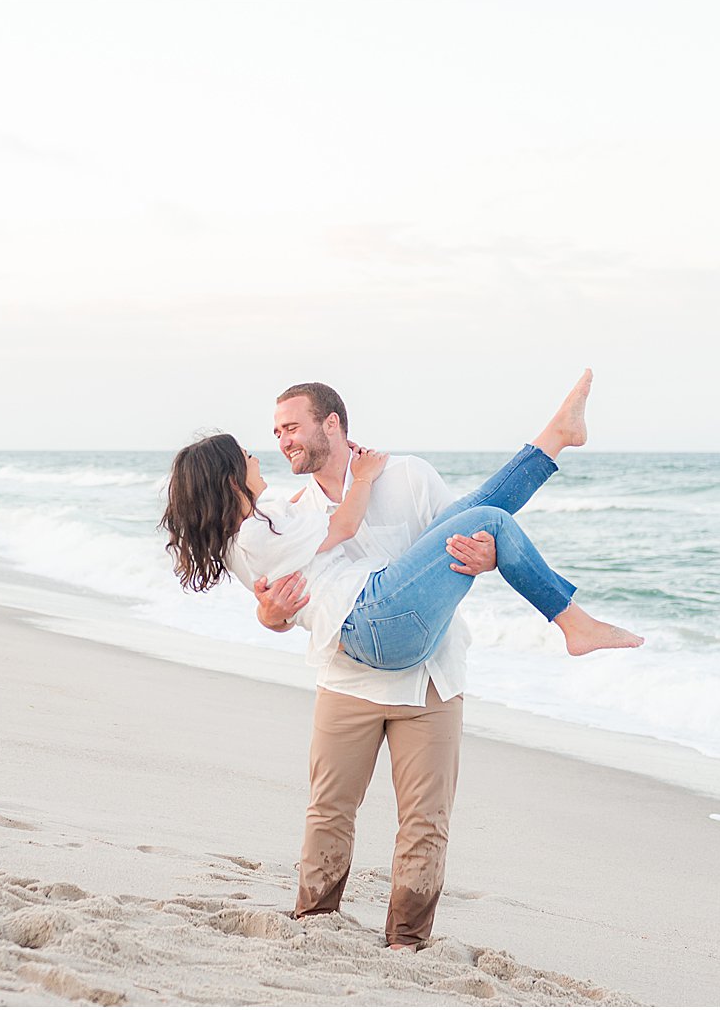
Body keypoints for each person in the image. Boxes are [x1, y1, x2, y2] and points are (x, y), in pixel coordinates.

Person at [159, 370, 641, 949]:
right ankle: (315, 925)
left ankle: (406, 943)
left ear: (331, 424)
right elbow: (296, 578)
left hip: (427, 666)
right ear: (230, 477)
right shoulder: (288, 511)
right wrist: (270, 613)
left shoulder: (405, 477)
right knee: (330, 810)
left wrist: (488, 557)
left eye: (290, 428)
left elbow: (454, 540)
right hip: (357, 658)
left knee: (426, 820)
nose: (278, 444)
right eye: (269, 438)